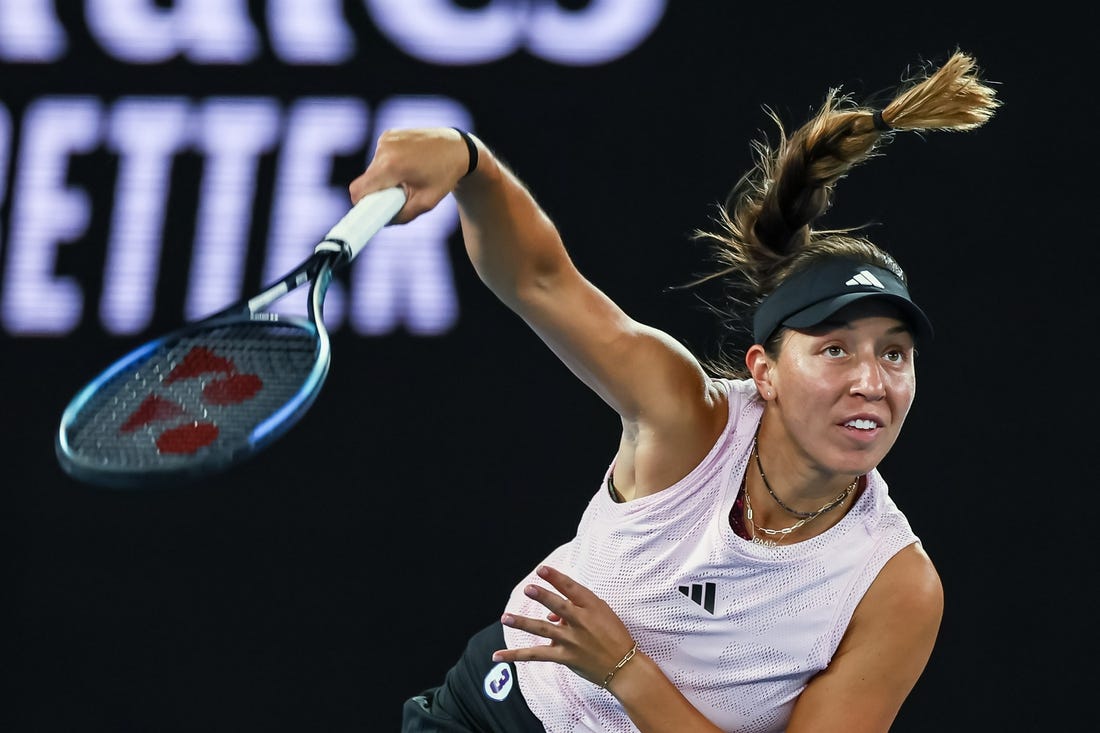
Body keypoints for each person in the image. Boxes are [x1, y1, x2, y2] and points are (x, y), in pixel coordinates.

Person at [350, 50, 999, 733]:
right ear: (765, 370)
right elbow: (541, 280)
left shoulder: (894, 586)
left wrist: (626, 669)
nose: (871, 382)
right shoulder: (687, 418)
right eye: (835, 348)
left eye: (893, 354)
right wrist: (468, 162)